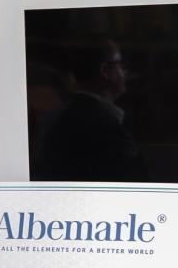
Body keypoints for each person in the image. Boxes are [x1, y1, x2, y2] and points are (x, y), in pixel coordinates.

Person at [34, 39, 147, 182]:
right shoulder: (105, 126)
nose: (125, 72)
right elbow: (136, 180)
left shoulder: (60, 116)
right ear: (105, 71)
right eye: (121, 64)